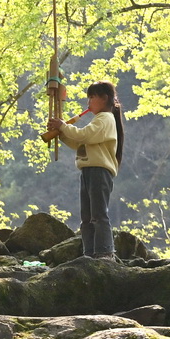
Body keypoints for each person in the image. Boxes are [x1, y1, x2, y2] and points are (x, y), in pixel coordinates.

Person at [48, 80, 124, 260]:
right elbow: (80, 142)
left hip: (99, 170)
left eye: (92, 97)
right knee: (87, 217)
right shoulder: (99, 120)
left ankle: (105, 252)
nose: (88, 102)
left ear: (104, 98)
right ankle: (89, 253)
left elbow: (85, 135)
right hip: (89, 170)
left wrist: (63, 127)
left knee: (98, 214)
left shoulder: (105, 118)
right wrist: (61, 133)